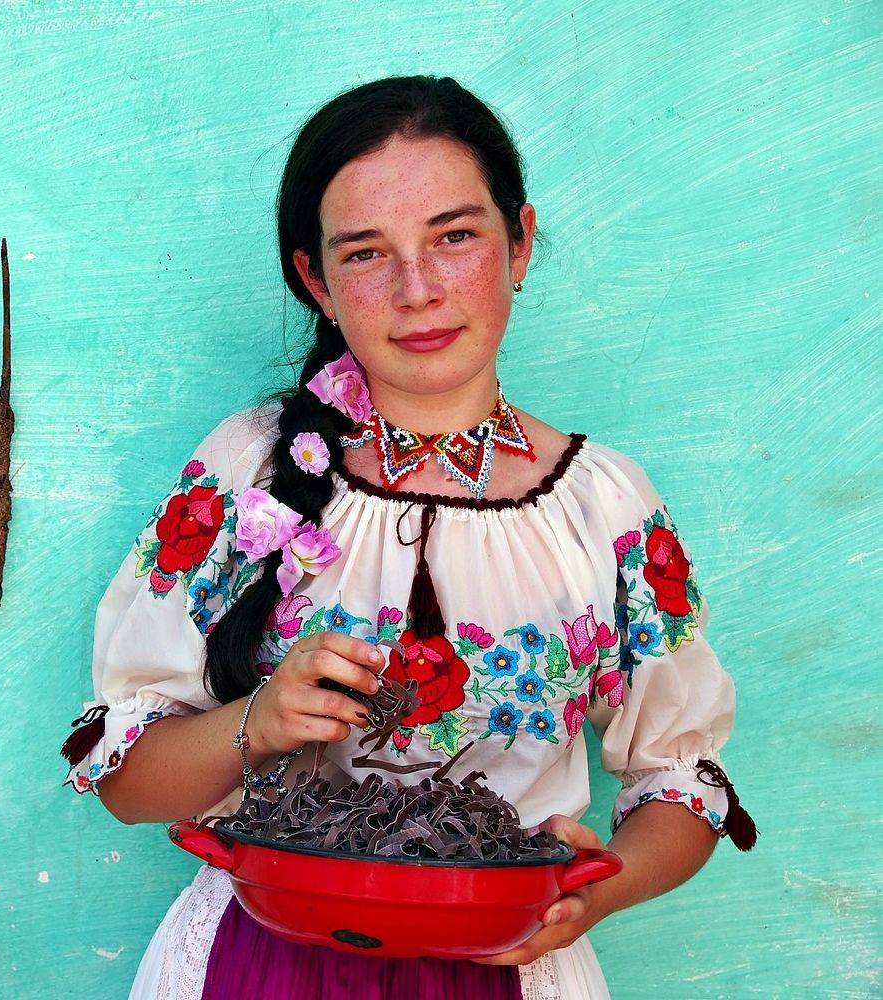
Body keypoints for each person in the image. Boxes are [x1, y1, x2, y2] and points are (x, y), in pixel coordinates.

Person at [59, 75, 757, 999]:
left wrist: (593, 893)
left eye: (455, 236)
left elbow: (679, 778)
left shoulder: (605, 505)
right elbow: (126, 781)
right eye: (366, 253)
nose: (418, 290)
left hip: (511, 968)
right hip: (253, 964)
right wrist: (256, 724)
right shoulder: (247, 472)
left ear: (520, 243)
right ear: (316, 278)